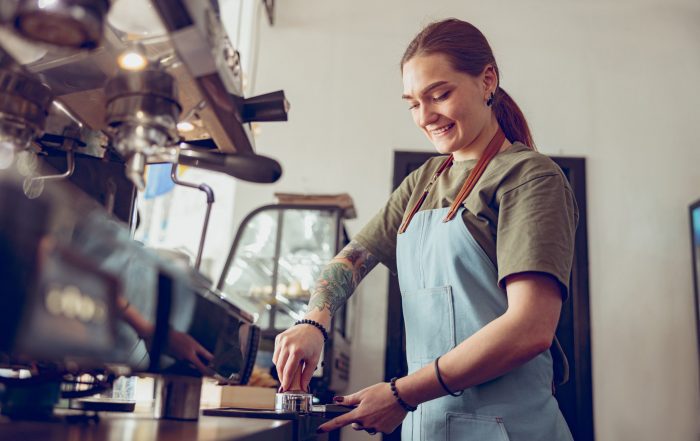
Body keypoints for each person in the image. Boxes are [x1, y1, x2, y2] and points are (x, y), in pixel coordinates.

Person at [273, 18, 577, 440]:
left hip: (509, 428)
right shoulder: (423, 181)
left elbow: (530, 329)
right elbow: (353, 258)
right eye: (413, 103)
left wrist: (401, 395)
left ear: (487, 79)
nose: (425, 116)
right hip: (428, 425)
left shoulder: (530, 177)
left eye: (439, 95)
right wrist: (314, 322)